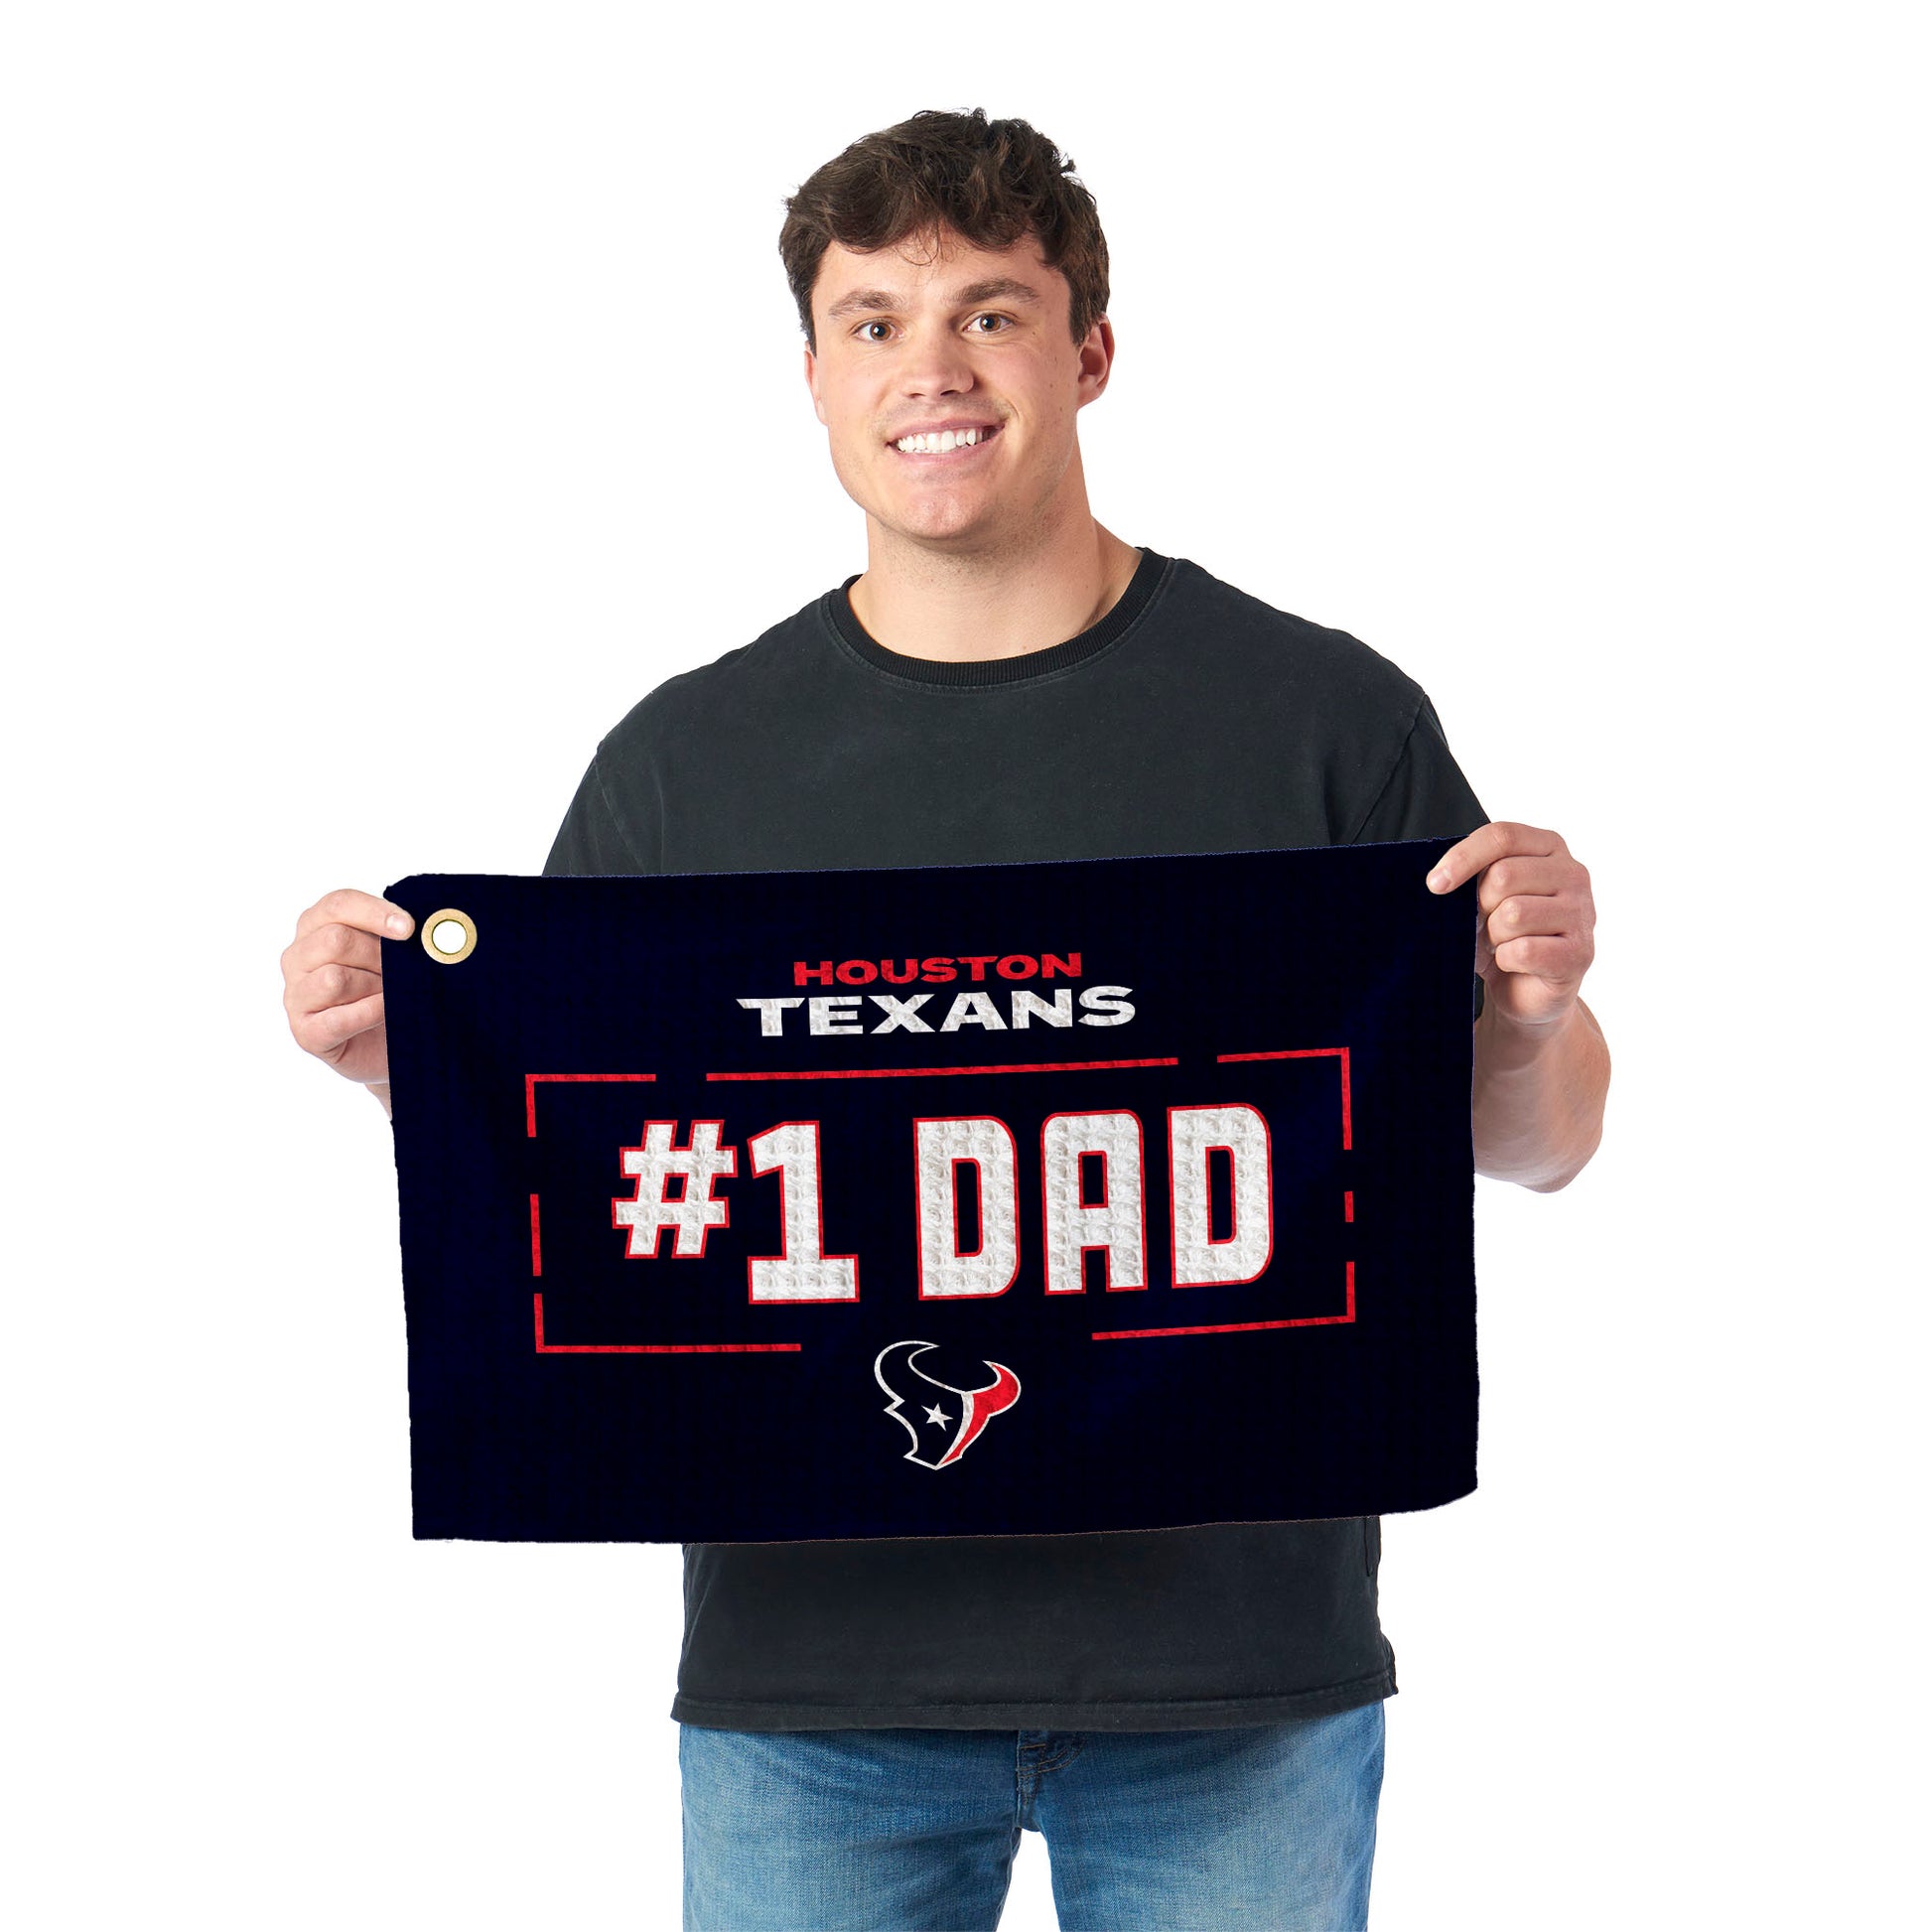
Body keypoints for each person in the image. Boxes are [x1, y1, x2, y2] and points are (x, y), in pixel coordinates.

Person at [282, 108, 1608, 1932]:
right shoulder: (688, 761)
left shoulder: (1318, 715)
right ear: (814, 375)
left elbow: (1539, 1140)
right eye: (874, 321)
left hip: (1237, 1674)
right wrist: (410, 1070)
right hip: (812, 1689)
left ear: (1089, 351)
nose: (933, 368)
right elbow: (591, 1173)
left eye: (990, 312)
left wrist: (1529, 1014)